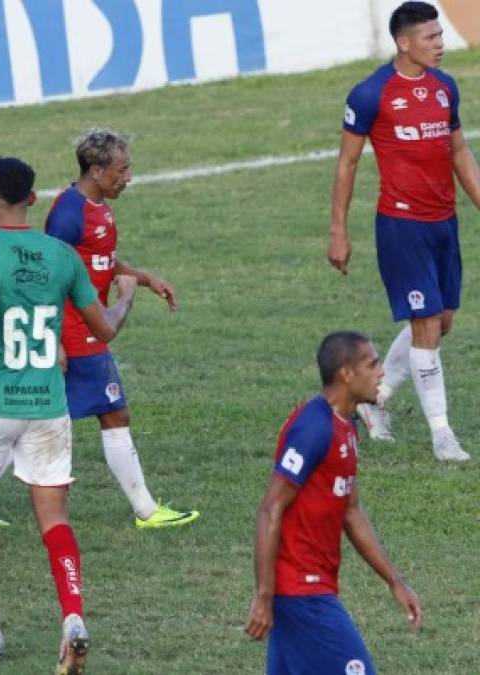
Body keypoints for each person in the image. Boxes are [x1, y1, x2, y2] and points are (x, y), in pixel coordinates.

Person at [0, 157, 137, 671]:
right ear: (34, 199)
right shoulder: (62, 256)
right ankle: (72, 618)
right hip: (49, 406)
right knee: (54, 519)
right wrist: (128, 296)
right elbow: (105, 329)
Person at [328, 1, 480, 461]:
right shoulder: (371, 93)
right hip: (401, 224)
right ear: (404, 42)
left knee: (441, 320)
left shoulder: (444, 88)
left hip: (443, 223)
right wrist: (338, 229)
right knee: (426, 324)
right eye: (431, 37)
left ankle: (377, 402)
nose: (441, 44)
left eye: (440, 35)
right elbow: (348, 162)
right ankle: (441, 435)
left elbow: (459, 152)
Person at [45, 128, 200, 529]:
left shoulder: (96, 205)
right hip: (77, 332)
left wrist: (144, 278)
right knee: (110, 414)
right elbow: (47, 275)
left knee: (40, 416)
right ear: (96, 171)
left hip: (85, 327)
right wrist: (54, 340)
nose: (128, 177)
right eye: (122, 169)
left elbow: (98, 262)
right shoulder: (68, 214)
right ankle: (146, 512)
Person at [245, 331, 422, 673]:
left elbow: (351, 510)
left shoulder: (347, 426)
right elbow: (270, 508)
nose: (382, 372)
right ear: (346, 373)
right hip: (302, 592)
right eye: (372, 364)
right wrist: (264, 595)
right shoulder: (313, 428)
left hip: (310, 589)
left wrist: (394, 580)